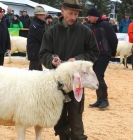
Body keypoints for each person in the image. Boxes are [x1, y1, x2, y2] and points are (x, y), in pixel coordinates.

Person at [39, 1, 99, 139]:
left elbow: (94, 52)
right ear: (62, 11)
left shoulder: (85, 31)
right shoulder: (51, 32)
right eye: (70, 13)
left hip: (77, 82)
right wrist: (51, 60)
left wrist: (78, 60)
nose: (73, 17)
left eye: (76, 14)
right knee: (59, 121)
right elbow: (43, 54)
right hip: (57, 83)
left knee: (76, 118)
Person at [87, 8, 118, 109]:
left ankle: (105, 100)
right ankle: (99, 99)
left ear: (95, 16)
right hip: (95, 54)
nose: (88, 18)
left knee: (98, 76)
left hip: (104, 53)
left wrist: (113, 52)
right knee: (96, 76)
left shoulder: (105, 25)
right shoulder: (93, 26)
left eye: (89, 16)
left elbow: (114, 39)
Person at [27, 6, 46, 71]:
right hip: (35, 52)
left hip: (36, 51)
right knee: (33, 73)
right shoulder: (36, 26)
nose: (44, 16)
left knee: (38, 72)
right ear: (38, 15)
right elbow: (44, 37)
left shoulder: (37, 24)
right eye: (43, 14)